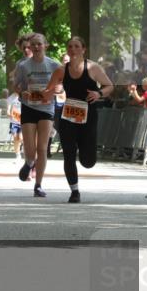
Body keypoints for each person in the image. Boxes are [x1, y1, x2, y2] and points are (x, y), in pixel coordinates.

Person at [43, 36, 114, 203]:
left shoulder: (93, 68)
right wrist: (51, 91)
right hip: (68, 116)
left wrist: (99, 93)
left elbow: (109, 85)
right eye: (70, 47)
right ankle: (74, 191)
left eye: (76, 46)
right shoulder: (61, 70)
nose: (73, 49)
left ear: (83, 49)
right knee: (68, 153)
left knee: (88, 161)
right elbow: (48, 92)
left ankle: (86, 154)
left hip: (89, 115)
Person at [13, 33, 61, 197]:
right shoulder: (24, 66)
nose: (36, 47)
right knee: (30, 149)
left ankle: (38, 185)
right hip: (29, 107)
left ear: (45, 45)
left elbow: (62, 86)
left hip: (47, 108)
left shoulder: (54, 65)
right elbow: (16, 85)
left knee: (42, 148)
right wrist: (22, 93)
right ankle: (29, 162)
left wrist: (54, 91)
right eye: (33, 44)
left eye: (39, 44)